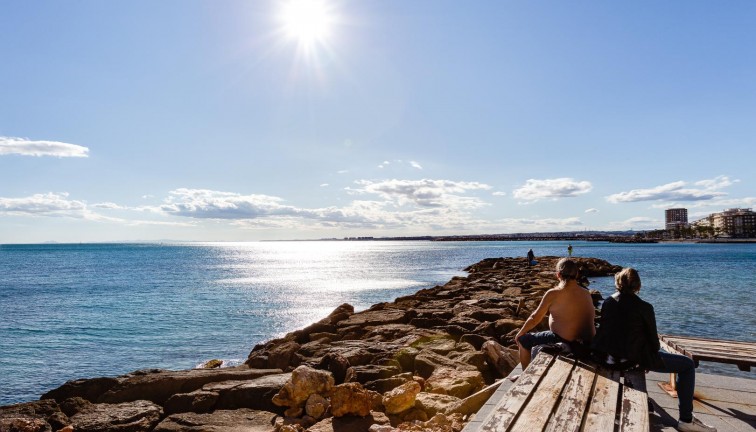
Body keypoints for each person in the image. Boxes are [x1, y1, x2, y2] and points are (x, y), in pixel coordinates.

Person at [592, 268, 717, 432]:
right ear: (638, 286)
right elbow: (654, 343)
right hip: (633, 360)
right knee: (687, 365)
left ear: (618, 283)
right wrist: (648, 361)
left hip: (609, 357)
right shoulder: (644, 307)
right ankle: (686, 419)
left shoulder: (608, 302)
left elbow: (605, 332)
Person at [515, 258, 596, 368]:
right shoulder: (586, 293)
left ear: (558, 274)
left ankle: (524, 374)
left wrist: (520, 333)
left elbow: (534, 318)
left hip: (565, 340)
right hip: (586, 342)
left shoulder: (553, 293)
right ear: (576, 274)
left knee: (523, 341)